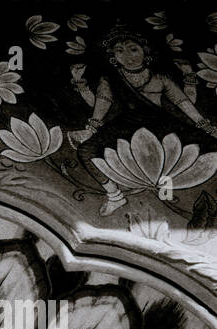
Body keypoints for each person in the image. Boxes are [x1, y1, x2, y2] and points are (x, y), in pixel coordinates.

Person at [68, 25, 217, 215]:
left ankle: (167, 190)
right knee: (85, 151)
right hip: (126, 123)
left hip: (160, 122)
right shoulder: (111, 79)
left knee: (211, 145)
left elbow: (183, 102)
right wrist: (91, 124)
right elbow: (102, 103)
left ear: (144, 51)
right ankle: (114, 196)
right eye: (119, 51)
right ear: (114, 56)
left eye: (133, 49)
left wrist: (205, 126)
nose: (128, 56)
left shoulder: (160, 78)